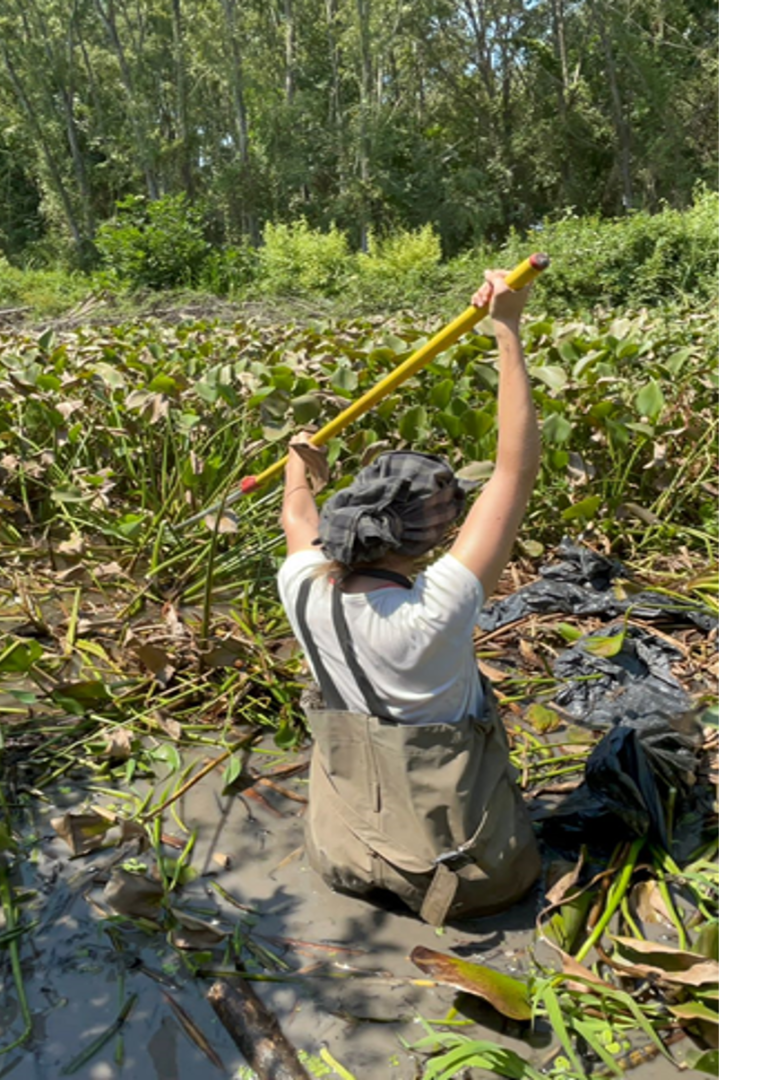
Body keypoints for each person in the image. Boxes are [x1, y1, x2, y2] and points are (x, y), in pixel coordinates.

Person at [275, 268, 544, 925]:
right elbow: (514, 469)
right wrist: (506, 330)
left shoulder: (301, 584)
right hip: (467, 878)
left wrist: (299, 467)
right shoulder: (435, 611)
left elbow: (294, 517)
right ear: (428, 540)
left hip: (343, 854)